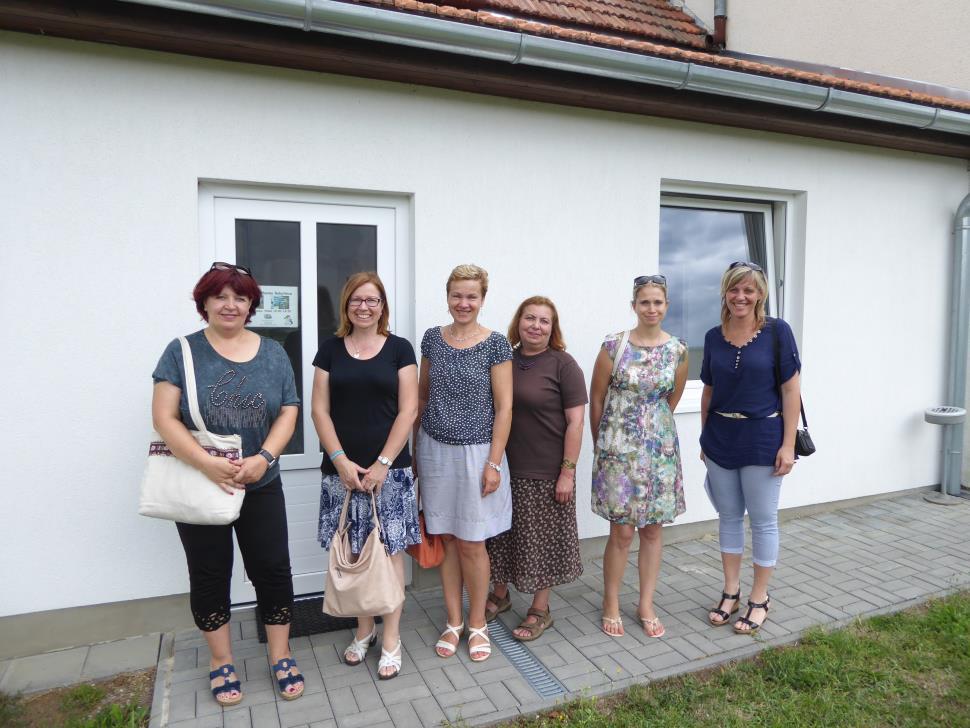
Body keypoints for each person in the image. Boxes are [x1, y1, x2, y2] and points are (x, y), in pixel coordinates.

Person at [151, 262, 304, 706]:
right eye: (220, 296)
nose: (230, 305)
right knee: (210, 574)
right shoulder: (181, 351)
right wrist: (206, 464)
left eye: (240, 297)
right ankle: (221, 661)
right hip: (203, 484)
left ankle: (281, 654)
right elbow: (163, 417)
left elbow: (289, 410)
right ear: (204, 303)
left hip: (261, 482)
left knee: (273, 570)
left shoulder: (274, 353)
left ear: (252, 304)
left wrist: (265, 457)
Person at [312, 271, 420, 680]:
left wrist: (383, 463)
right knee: (352, 553)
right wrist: (339, 459)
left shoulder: (399, 349)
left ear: (382, 306)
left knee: (388, 554)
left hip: (389, 474)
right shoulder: (330, 350)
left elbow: (408, 410)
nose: (364, 306)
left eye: (372, 300)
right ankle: (364, 629)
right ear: (346, 305)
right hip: (340, 474)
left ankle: (391, 637)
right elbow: (319, 410)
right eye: (357, 299)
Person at [414, 264, 513, 662]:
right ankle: (453, 620)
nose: (463, 303)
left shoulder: (496, 343)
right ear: (448, 296)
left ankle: (477, 623)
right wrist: (416, 453)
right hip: (435, 449)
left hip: (478, 453)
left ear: (483, 298)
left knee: (473, 542)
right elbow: (422, 397)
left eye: (471, 296)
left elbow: (505, 408)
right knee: (447, 538)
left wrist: (494, 463)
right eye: (457, 295)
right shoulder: (432, 340)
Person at [700, 261, 801, 635]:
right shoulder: (713, 336)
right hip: (720, 438)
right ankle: (731, 592)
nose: (741, 297)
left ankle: (759, 598)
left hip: (762, 437)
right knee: (728, 518)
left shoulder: (778, 332)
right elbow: (708, 390)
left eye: (749, 290)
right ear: (726, 293)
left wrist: (787, 444)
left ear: (760, 295)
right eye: (734, 289)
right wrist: (704, 438)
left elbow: (791, 390)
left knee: (762, 520)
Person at [589, 275, 687, 639]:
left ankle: (646, 603)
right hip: (618, 451)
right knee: (621, 532)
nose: (651, 308)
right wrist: (604, 445)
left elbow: (670, 400)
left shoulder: (678, 350)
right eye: (644, 302)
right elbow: (597, 397)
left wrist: (653, 433)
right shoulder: (614, 346)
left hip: (659, 454)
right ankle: (610, 601)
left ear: (666, 306)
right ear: (634, 305)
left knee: (652, 530)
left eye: (658, 302)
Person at [485, 296, 587, 641]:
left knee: (539, 543)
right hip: (504, 466)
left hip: (545, 470)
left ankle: (540, 610)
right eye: (530, 318)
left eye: (544, 321)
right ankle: (499, 595)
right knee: (500, 537)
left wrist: (567, 472)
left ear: (552, 328)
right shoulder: (504, 359)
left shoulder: (563, 364)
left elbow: (576, 423)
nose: (536, 326)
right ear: (519, 322)